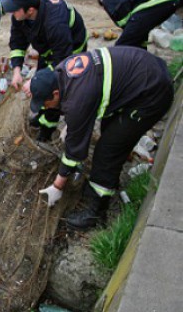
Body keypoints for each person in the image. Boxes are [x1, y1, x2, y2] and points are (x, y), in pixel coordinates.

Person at [31, 47, 173, 229]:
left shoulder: (77, 101)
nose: (45, 107)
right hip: (146, 70)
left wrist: (57, 186)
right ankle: (108, 181)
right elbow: (83, 104)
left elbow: (74, 153)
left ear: (55, 94)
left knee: (107, 150)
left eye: (45, 103)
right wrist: (73, 122)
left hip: (153, 93)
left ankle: (96, 213)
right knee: (109, 130)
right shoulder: (61, 71)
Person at [2, 0, 88, 141]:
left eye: (15, 8)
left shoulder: (55, 22)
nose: (11, 12)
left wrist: (35, 80)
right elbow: (17, 42)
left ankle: (47, 129)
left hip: (71, 51)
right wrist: (16, 71)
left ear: (31, 10)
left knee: (54, 87)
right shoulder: (19, 15)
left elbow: (63, 59)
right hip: (48, 48)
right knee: (41, 84)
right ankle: (42, 115)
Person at [99, 0, 180, 49]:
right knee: (140, 36)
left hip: (155, 1)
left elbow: (122, 10)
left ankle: (119, 64)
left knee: (123, 44)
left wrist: (127, 27)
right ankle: (141, 59)